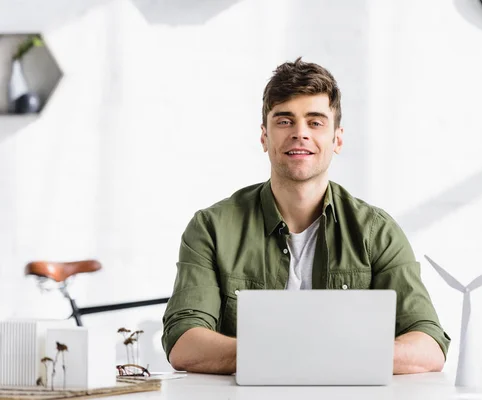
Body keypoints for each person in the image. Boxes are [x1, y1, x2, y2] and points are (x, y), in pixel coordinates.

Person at [162, 57, 451, 375]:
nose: (300, 134)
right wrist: (316, 352)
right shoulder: (211, 228)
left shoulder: (376, 232)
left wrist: (292, 353)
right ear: (264, 137)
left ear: (337, 139)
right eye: (284, 121)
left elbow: (428, 346)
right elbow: (184, 343)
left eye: (315, 122)